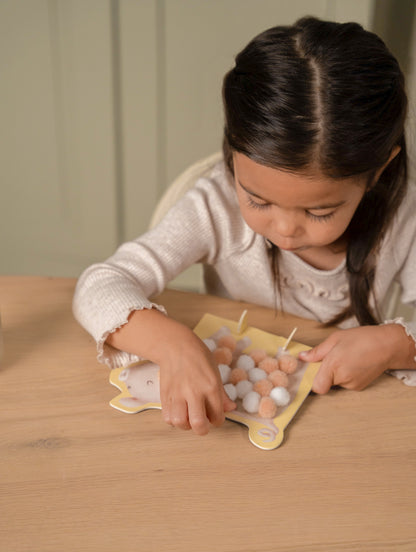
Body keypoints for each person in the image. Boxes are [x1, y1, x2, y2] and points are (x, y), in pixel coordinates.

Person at [73, 16, 416, 435]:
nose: (285, 230)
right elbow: (99, 285)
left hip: (345, 424)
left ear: (379, 170)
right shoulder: (216, 204)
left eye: (319, 212)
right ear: (234, 156)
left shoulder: (404, 219)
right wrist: (173, 345)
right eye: (257, 199)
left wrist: (395, 344)